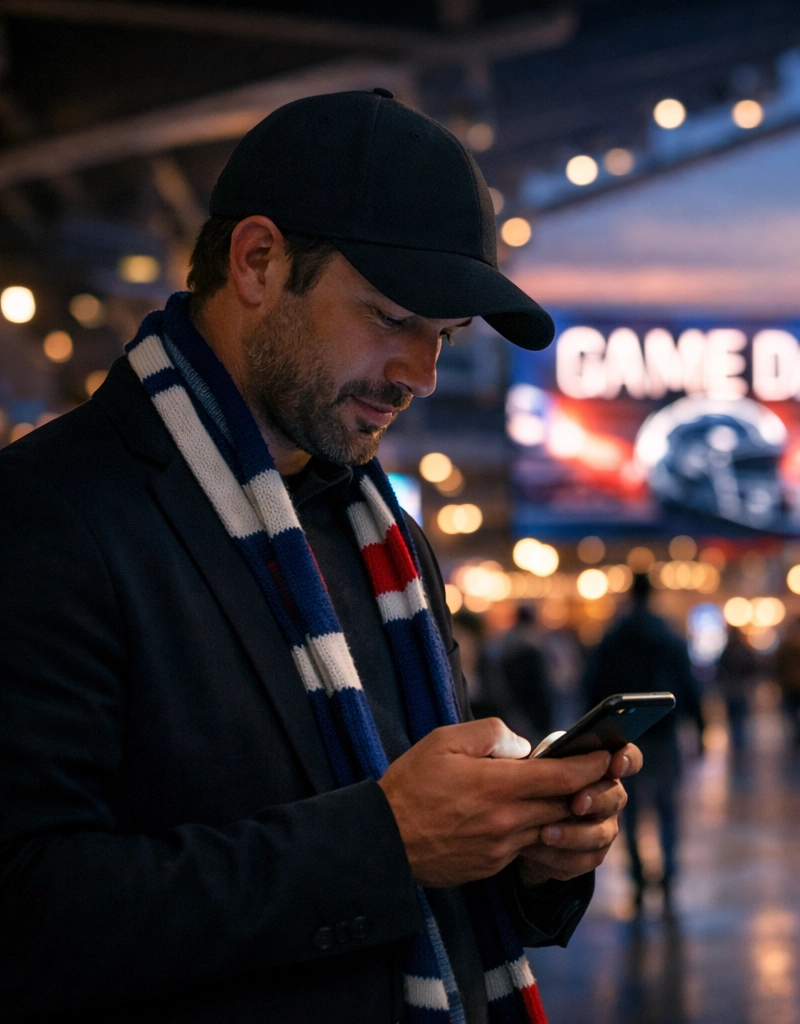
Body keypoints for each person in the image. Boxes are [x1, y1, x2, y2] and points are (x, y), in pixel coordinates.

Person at [0, 90, 642, 1023]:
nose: (420, 375)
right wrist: (384, 843)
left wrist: (526, 857)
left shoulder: (378, 533)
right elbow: (27, 909)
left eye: (444, 339)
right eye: (390, 318)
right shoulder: (52, 512)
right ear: (257, 261)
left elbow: (427, 882)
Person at [584, 573, 703, 911]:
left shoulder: (616, 635)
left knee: (630, 809)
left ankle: (637, 876)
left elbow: (595, 684)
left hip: (627, 734)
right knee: (667, 807)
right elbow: (687, 682)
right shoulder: (666, 634)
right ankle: (668, 876)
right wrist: (700, 725)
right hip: (664, 731)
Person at [485, 604, 556, 741]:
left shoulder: (507, 649)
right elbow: (538, 690)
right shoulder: (528, 652)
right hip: (529, 719)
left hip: (518, 718)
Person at [715, 624, 760, 752]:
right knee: (740, 715)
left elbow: (719, 669)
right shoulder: (744, 649)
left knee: (733, 716)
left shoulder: (727, 650)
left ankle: (737, 741)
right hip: (741, 688)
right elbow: (753, 667)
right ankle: (740, 742)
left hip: (730, 688)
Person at [774, 612, 800, 748]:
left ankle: (798, 735)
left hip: (791, 683)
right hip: (799, 683)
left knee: (793, 711)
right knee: (799, 711)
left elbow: (777, 663)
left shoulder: (787, 644)